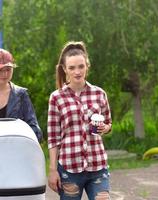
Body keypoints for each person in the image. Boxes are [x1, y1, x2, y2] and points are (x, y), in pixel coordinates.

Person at [47, 41, 112, 200]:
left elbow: (109, 123)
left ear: (87, 66)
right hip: (69, 169)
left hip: (97, 166)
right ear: (65, 69)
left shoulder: (99, 94)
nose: (77, 72)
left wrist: (105, 127)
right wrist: (53, 170)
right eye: (72, 68)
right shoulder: (56, 97)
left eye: (81, 66)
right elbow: (53, 138)